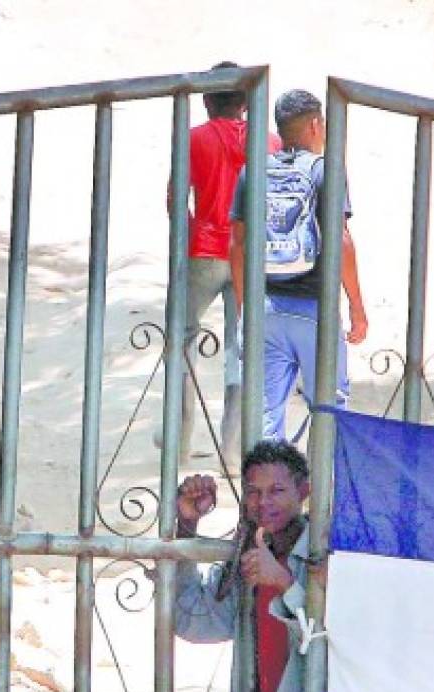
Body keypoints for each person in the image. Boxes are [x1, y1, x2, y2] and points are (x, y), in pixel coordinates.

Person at [173, 440, 357, 692]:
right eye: (254, 491)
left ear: (304, 492)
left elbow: (349, 632)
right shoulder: (248, 556)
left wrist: (288, 585)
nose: (263, 502)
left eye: (277, 491)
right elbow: (193, 621)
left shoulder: (329, 553)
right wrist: (185, 528)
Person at [157, 60, 281, 473]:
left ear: (207, 99)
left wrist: (191, 236)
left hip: (205, 249)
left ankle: (178, 439)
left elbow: (177, 201)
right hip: (248, 256)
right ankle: (233, 449)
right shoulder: (270, 144)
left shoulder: (193, 139)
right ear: (245, 103)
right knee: (240, 347)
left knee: (183, 339)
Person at [228, 89, 367, 441]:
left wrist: (247, 310)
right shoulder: (326, 171)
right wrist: (356, 307)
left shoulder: (254, 171)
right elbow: (342, 242)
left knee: (265, 414)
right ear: (317, 125)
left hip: (267, 308)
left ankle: (266, 494)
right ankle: (323, 491)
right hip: (315, 310)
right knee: (328, 410)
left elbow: (238, 245)